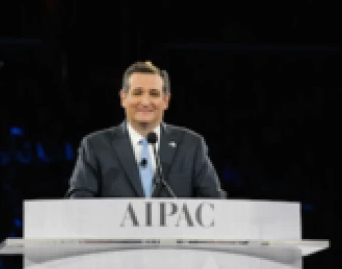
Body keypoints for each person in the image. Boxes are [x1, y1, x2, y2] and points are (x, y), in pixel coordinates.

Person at [66, 61, 225, 198]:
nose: (145, 101)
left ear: (165, 101)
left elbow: (214, 203)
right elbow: (80, 203)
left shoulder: (191, 145)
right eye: (137, 93)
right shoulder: (96, 146)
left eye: (154, 94)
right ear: (123, 98)